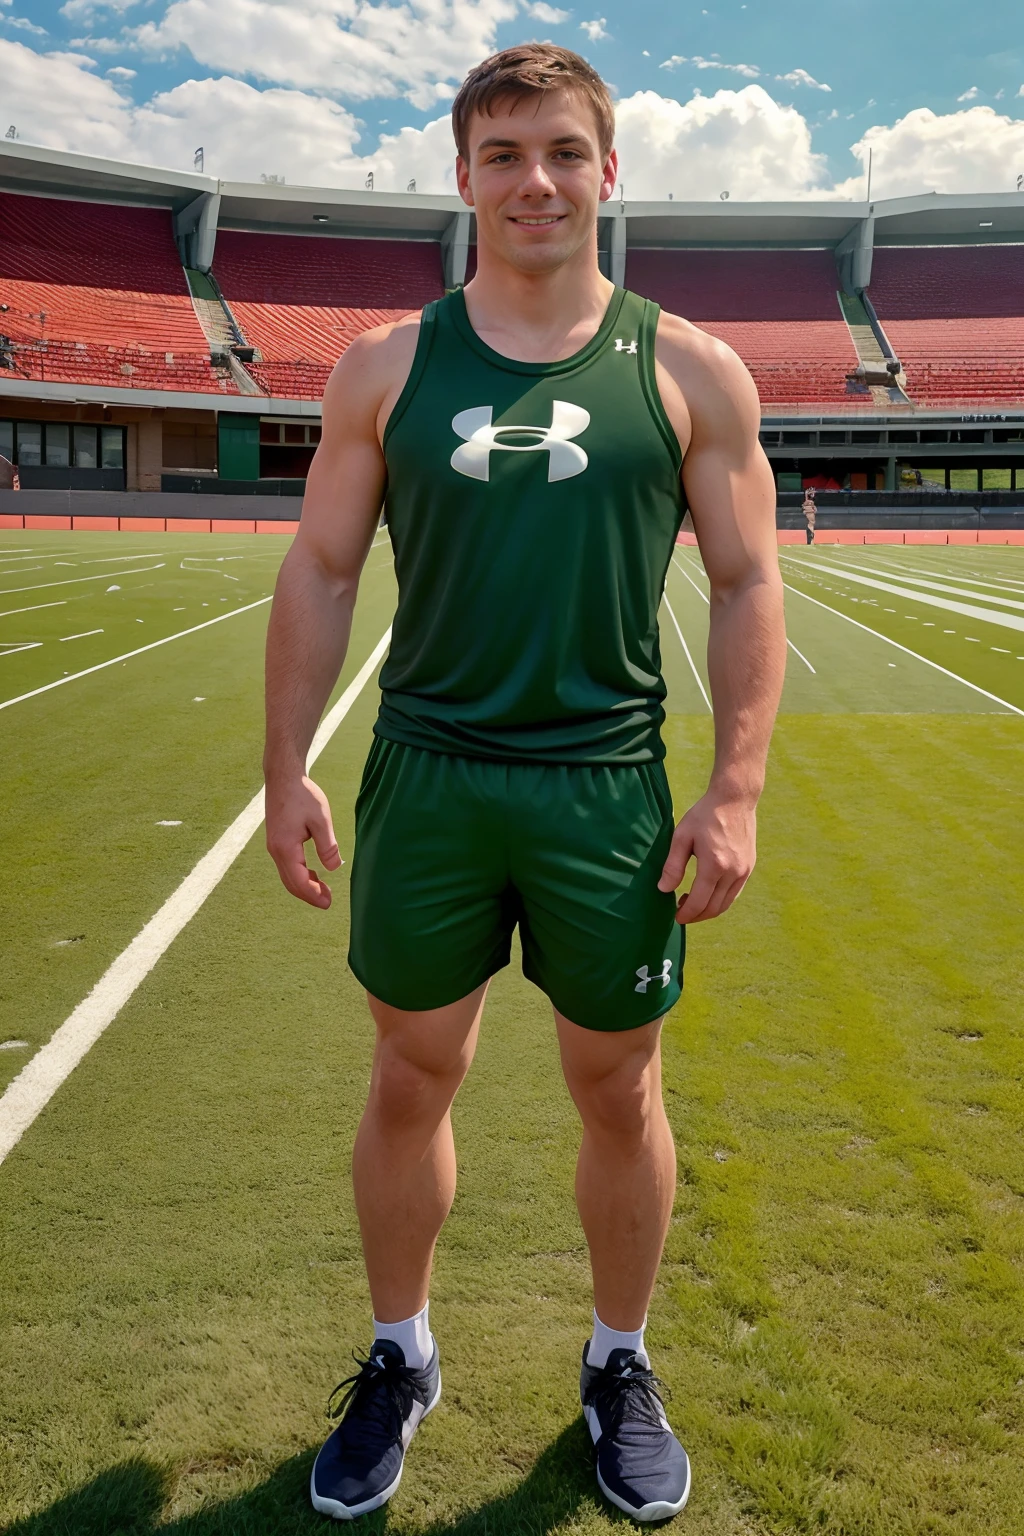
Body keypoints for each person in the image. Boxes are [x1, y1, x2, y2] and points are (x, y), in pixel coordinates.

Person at [263, 43, 786, 1524]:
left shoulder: (687, 368)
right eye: (503, 155)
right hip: (429, 777)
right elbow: (318, 567)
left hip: (605, 788)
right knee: (411, 1073)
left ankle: (619, 1363)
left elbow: (749, 583)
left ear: (609, 172)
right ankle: (399, 1353)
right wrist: (281, 766)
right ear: (463, 176)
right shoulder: (388, 365)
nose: (535, 180)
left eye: (563, 151)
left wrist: (734, 787)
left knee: (618, 1085)